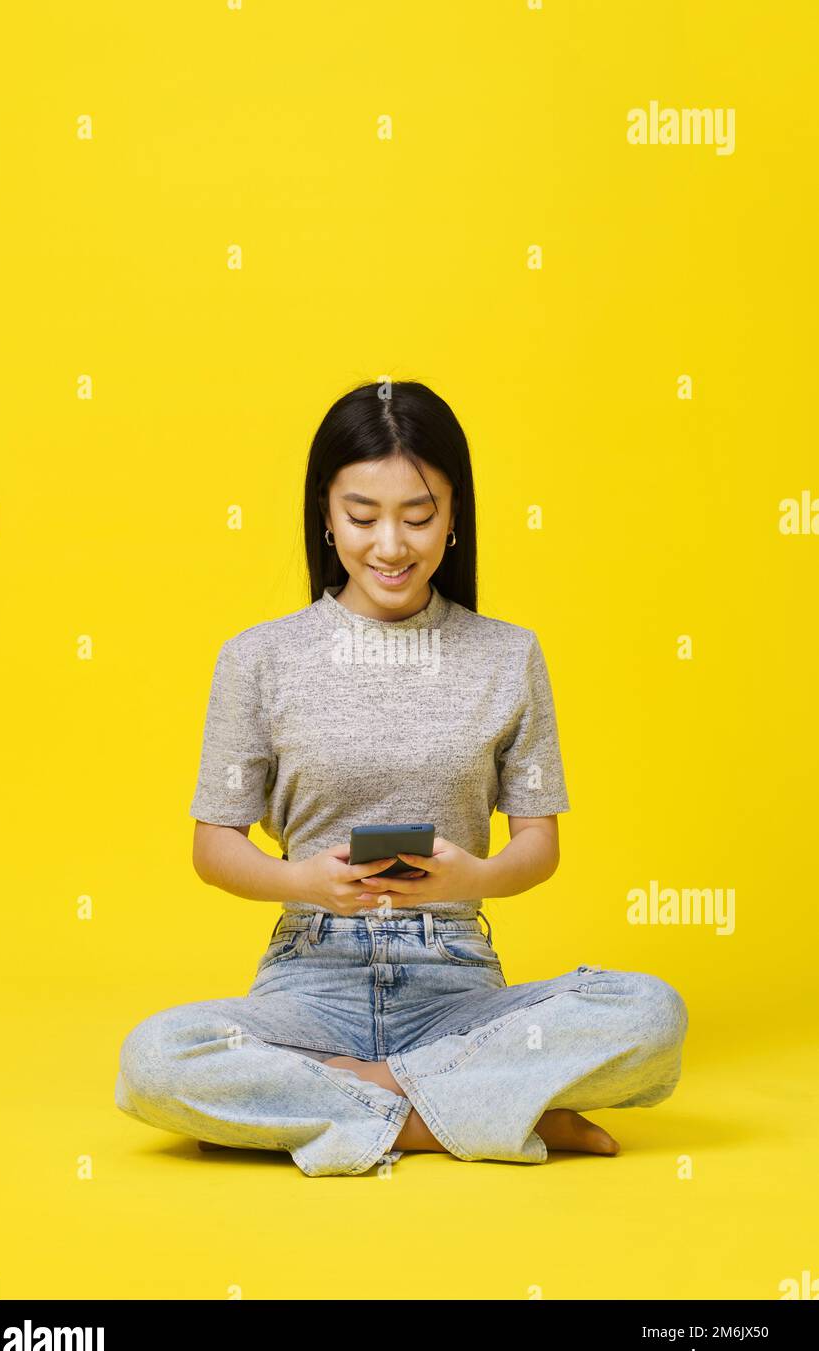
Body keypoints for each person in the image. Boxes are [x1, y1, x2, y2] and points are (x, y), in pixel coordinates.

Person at [114, 379, 688, 1177]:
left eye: (419, 516)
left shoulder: (507, 654)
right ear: (324, 512)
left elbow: (540, 847)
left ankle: (335, 1103)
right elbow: (213, 848)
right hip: (310, 980)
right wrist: (305, 881)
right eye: (362, 515)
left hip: (456, 987)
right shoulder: (259, 657)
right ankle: (472, 1111)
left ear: (455, 517)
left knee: (653, 1013)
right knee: (155, 1058)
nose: (391, 545)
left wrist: (476, 873)